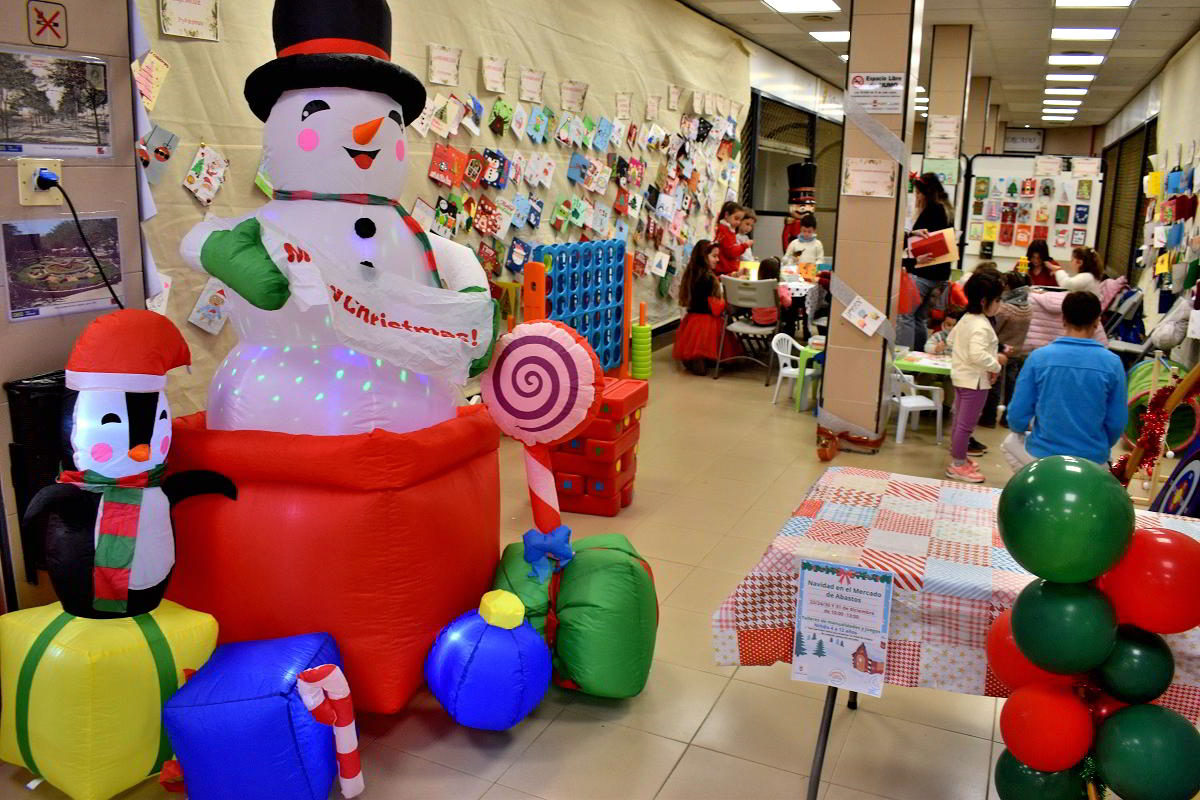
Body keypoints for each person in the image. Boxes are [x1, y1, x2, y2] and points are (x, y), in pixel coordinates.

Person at [1003, 291, 1127, 470]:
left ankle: (1035, 485)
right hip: (1092, 461)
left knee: (1009, 441)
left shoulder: (1039, 357)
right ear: (1097, 321)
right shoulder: (1113, 363)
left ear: (1063, 319)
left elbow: (1017, 415)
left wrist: (1024, 428)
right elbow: (1117, 422)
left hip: (1042, 457)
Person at [945, 272, 1006, 483]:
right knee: (966, 425)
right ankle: (958, 464)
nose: (999, 304)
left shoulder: (967, 318)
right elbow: (976, 354)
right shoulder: (981, 324)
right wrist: (995, 364)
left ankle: (958, 458)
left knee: (959, 422)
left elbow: (951, 340)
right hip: (975, 382)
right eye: (997, 300)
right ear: (984, 301)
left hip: (962, 377)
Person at [898, 172, 955, 352]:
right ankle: (919, 356)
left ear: (925, 193)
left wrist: (911, 261)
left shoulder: (932, 211)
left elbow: (921, 245)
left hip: (923, 273)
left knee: (905, 316)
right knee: (919, 318)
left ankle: (905, 359)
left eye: (918, 194)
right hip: (938, 274)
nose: (916, 198)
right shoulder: (946, 210)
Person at [673, 240, 740, 375]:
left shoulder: (692, 273)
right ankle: (703, 360)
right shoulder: (708, 278)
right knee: (730, 360)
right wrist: (727, 304)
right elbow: (715, 308)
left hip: (692, 320)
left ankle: (697, 359)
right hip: (708, 321)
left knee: (697, 348)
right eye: (714, 256)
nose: (718, 259)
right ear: (704, 256)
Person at [994, 270, 1033, 426]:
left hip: (999, 350)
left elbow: (994, 329)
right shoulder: (1028, 308)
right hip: (1016, 352)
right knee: (1012, 388)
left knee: (995, 386)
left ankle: (989, 417)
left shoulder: (1005, 309)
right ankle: (1007, 418)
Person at [750, 258, 793, 327]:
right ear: (777, 273)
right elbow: (788, 303)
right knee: (790, 311)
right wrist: (787, 292)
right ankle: (788, 333)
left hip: (756, 320)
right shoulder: (778, 288)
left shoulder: (754, 287)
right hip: (773, 321)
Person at [714, 202, 749, 275]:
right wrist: (745, 245)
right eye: (736, 218)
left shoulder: (730, 230)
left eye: (740, 220)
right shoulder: (723, 231)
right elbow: (731, 252)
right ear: (726, 215)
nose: (738, 222)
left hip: (728, 271)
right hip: (723, 271)